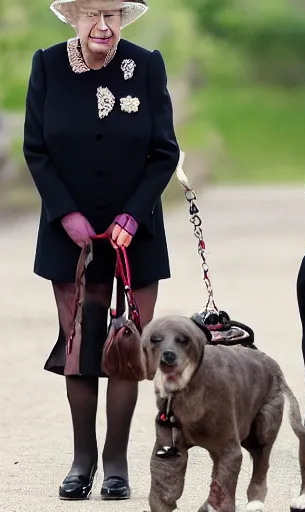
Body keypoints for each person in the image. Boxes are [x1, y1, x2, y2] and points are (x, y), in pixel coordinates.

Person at [23, 0, 179, 501]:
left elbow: (164, 151)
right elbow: (36, 149)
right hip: (69, 235)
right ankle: (82, 459)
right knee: (82, 348)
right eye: (91, 13)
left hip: (136, 234)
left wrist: (132, 214)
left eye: (112, 14)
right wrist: (66, 213)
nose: (102, 25)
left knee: (127, 348)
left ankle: (116, 463)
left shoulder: (147, 64)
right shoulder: (47, 66)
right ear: (73, 17)